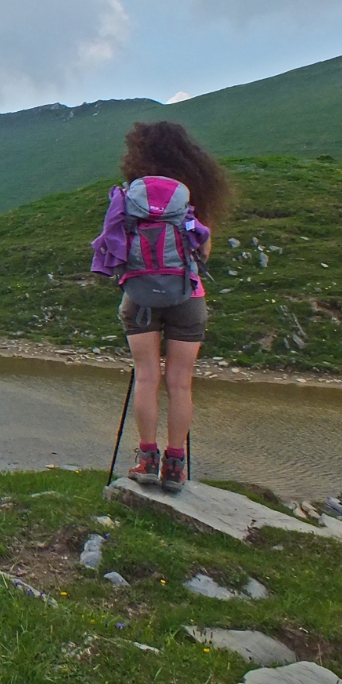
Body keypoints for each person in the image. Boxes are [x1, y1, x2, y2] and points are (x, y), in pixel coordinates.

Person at [91, 121, 228, 492]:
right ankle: (175, 467)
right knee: (180, 384)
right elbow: (205, 250)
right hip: (188, 296)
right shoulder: (194, 191)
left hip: (139, 299)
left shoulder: (130, 194)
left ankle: (146, 461)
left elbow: (114, 244)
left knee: (147, 378)